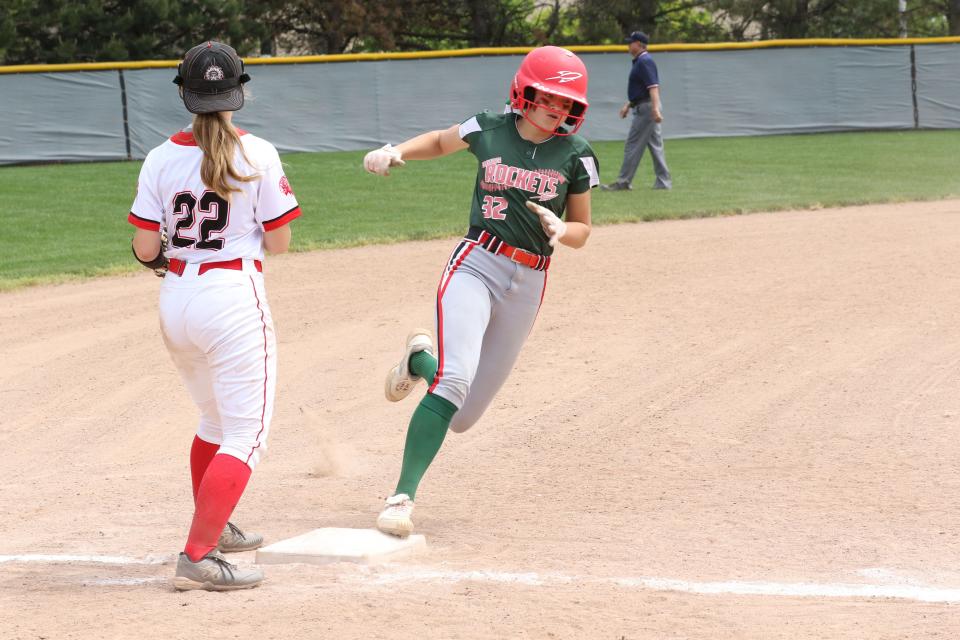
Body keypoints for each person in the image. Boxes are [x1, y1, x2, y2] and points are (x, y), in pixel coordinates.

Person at [362, 45, 599, 537]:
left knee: (464, 416)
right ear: (524, 92)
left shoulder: (578, 156)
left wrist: (562, 228)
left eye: (566, 103)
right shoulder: (488, 128)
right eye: (548, 98)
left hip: (530, 279)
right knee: (455, 382)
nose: (557, 110)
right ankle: (400, 498)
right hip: (477, 263)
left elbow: (583, 230)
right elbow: (439, 141)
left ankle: (417, 362)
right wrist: (395, 150)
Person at [128, 41, 301, 590]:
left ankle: (217, 525)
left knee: (215, 422)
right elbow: (279, 244)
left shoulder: (159, 157)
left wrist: (170, 256)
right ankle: (198, 555)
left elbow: (143, 247)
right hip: (231, 297)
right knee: (246, 435)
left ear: (185, 93)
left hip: (176, 299)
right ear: (238, 93)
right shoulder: (259, 153)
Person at [601, 30, 672, 191]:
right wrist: (629, 105)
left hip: (647, 109)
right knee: (655, 146)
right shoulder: (641, 61)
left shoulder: (644, 61)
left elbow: (653, 87)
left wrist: (655, 109)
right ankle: (664, 182)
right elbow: (642, 90)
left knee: (632, 145)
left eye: (631, 42)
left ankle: (623, 182)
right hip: (645, 105)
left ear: (639, 44)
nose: (628, 44)